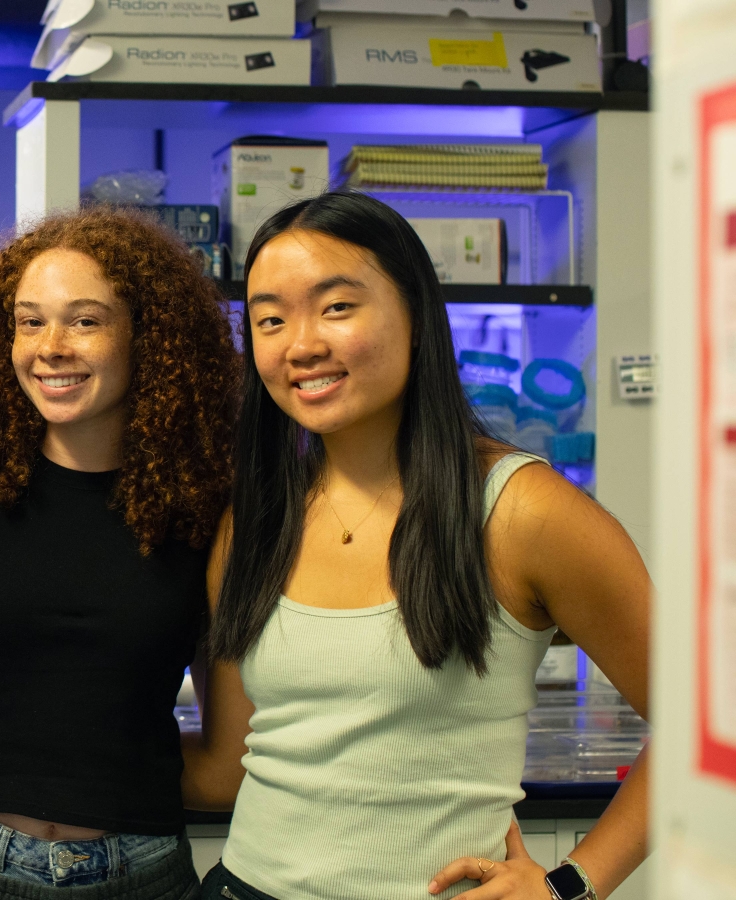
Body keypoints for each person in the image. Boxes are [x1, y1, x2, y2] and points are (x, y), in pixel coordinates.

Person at [185, 191, 650, 900]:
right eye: (270, 319)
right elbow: (224, 769)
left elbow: (714, 721)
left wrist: (571, 884)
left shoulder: (521, 510)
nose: (302, 343)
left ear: (416, 315)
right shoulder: (253, 519)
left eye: (337, 307)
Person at [0, 207, 240, 898]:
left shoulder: (206, 509)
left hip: (141, 869)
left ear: (148, 339)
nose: (50, 346)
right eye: (30, 321)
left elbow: (226, 761)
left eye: (85, 320)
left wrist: (77, 758)